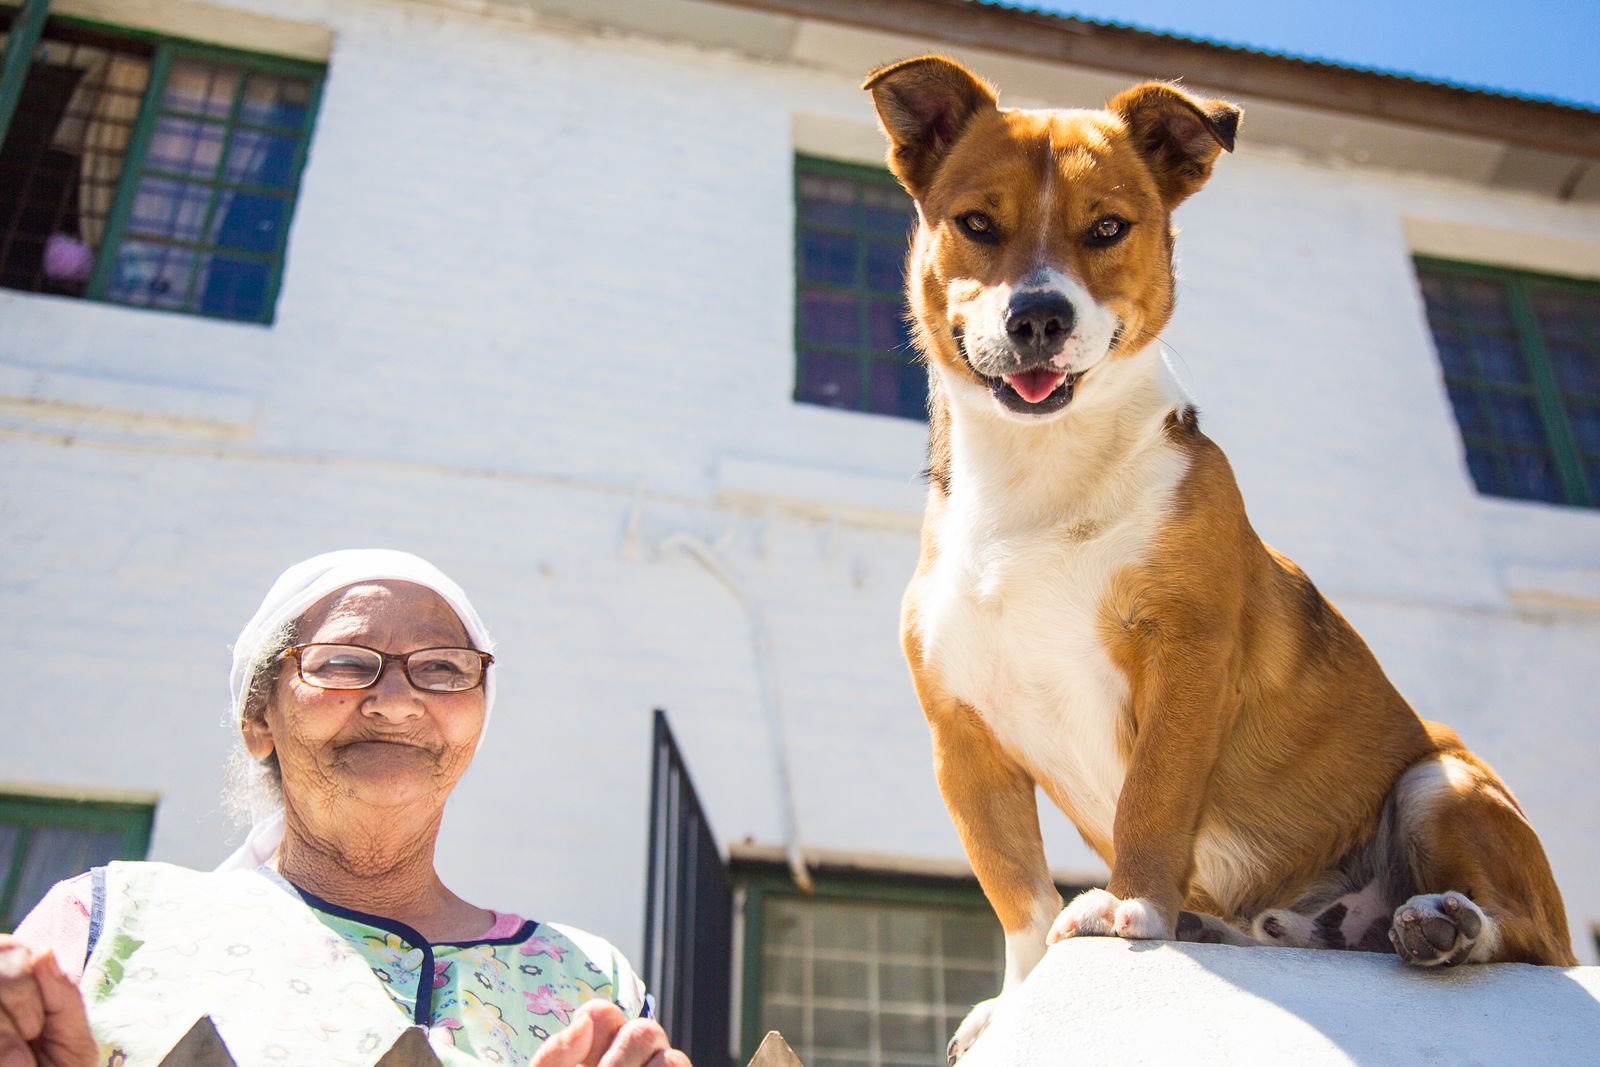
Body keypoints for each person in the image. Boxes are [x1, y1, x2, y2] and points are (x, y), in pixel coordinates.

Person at [0, 549, 691, 1067]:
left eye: (445, 667)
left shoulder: (588, 981)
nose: (395, 700)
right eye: (341, 662)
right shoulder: (112, 921)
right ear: (258, 720)